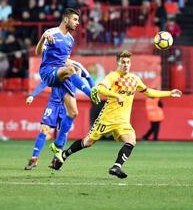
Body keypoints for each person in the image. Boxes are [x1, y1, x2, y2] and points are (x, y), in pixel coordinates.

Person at [49, 51, 182, 179]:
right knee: (88, 142)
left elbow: (149, 92)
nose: (126, 64)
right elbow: (100, 89)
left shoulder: (134, 79)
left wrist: (169, 93)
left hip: (122, 121)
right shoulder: (112, 76)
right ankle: (64, 155)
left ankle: (116, 167)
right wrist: (115, 95)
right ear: (118, 63)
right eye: (123, 62)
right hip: (106, 118)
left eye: (128, 62)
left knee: (131, 140)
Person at [36, 8, 100, 162]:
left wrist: (76, 68)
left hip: (61, 74)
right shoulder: (51, 33)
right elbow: (38, 52)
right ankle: (89, 93)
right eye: (75, 20)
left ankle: (57, 146)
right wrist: (43, 38)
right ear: (66, 19)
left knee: (73, 112)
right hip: (48, 72)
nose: (77, 23)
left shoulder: (70, 40)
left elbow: (65, 60)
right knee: (71, 70)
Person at [24, 59, 96, 170]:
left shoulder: (77, 66)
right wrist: (32, 95)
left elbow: (89, 78)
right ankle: (34, 158)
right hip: (54, 102)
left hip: (66, 103)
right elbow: (45, 82)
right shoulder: (56, 65)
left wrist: (94, 91)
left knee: (64, 132)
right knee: (44, 129)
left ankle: (55, 160)